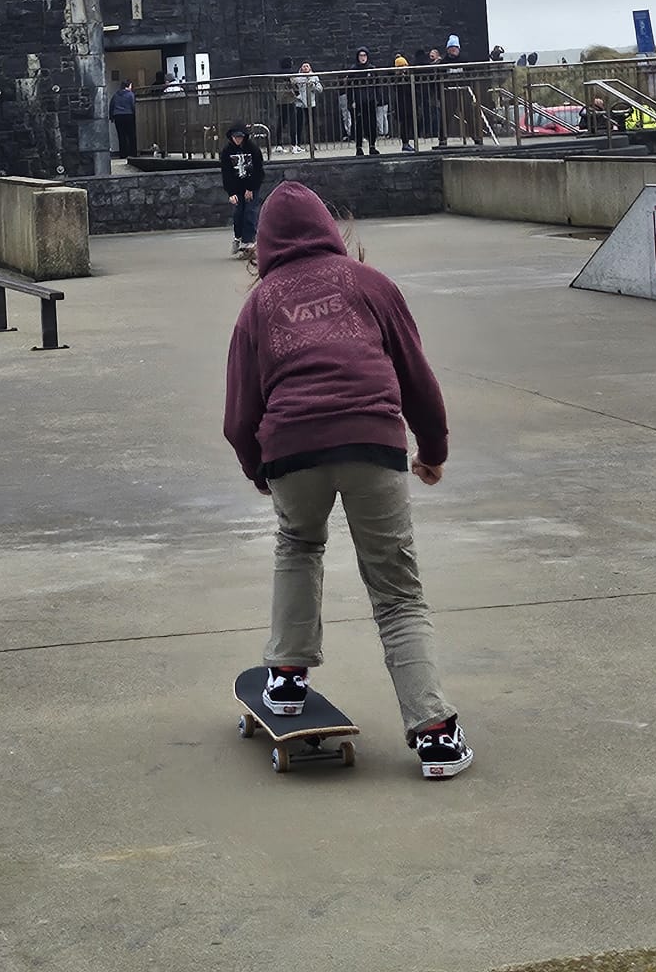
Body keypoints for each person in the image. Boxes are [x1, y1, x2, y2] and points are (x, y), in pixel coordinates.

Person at [223, 182, 472, 779]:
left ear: (263, 247)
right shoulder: (371, 285)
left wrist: (261, 468)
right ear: (332, 231)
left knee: (299, 544)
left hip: (292, 447)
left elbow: (238, 414)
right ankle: (434, 734)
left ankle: (285, 679)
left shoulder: (258, 307)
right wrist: (432, 449)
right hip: (371, 440)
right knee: (396, 593)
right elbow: (417, 377)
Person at [220, 120, 265, 258]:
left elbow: (258, 171)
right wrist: (231, 192)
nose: (237, 140)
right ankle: (239, 237)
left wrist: (250, 188)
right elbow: (226, 173)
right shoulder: (227, 152)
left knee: (250, 212)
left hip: (251, 186)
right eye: (235, 137)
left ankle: (249, 242)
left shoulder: (253, 150)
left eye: (240, 137)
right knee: (238, 213)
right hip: (237, 188)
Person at [348, 47, 383, 157]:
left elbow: (377, 85)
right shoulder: (354, 70)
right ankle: (359, 148)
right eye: (360, 56)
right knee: (359, 125)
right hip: (359, 101)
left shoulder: (372, 69)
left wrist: (378, 98)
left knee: (372, 124)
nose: (362, 58)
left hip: (370, 100)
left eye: (364, 55)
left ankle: (372, 146)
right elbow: (349, 88)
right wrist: (351, 100)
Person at [292, 61, 323, 149]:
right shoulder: (297, 77)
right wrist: (297, 95)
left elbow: (320, 89)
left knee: (311, 124)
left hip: (311, 103)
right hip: (300, 103)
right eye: (304, 66)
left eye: (307, 66)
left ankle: (311, 143)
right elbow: (293, 87)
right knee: (299, 124)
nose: (305, 68)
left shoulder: (314, 77)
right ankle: (298, 144)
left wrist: (313, 86)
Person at [392, 53, 417, 152]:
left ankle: (407, 142)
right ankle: (405, 143)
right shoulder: (398, 79)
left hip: (409, 102)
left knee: (409, 122)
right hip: (402, 103)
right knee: (405, 123)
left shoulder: (408, 76)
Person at [108, 79, 137, 158]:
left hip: (118, 116)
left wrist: (111, 116)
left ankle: (123, 154)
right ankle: (132, 153)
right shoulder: (130, 94)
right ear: (128, 86)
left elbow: (112, 105)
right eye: (131, 85)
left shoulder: (116, 95)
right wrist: (135, 115)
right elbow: (133, 105)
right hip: (128, 115)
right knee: (131, 135)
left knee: (121, 136)